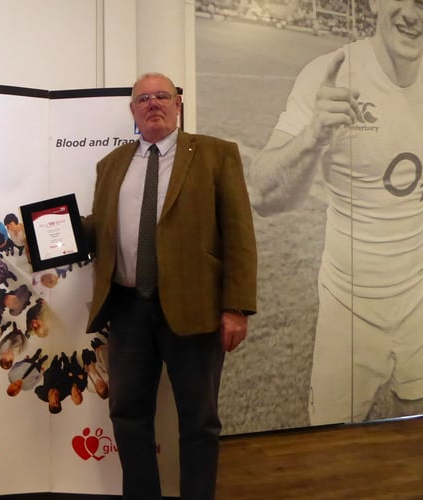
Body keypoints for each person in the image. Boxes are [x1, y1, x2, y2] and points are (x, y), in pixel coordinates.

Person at [82, 72, 257, 500]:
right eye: (143, 99)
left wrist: (236, 307)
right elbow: (100, 229)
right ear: (132, 110)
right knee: (127, 416)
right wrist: (47, 232)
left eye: (162, 96)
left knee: (199, 422)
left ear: (178, 103)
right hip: (127, 309)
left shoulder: (216, 155)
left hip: (195, 310)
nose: (153, 104)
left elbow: (238, 234)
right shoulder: (112, 165)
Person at [247, 0, 423, 424]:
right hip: (349, 308)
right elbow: (264, 196)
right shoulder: (332, 73)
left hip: (418, 299)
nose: (413, 14)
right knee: (332, 444)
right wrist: (313, 137)